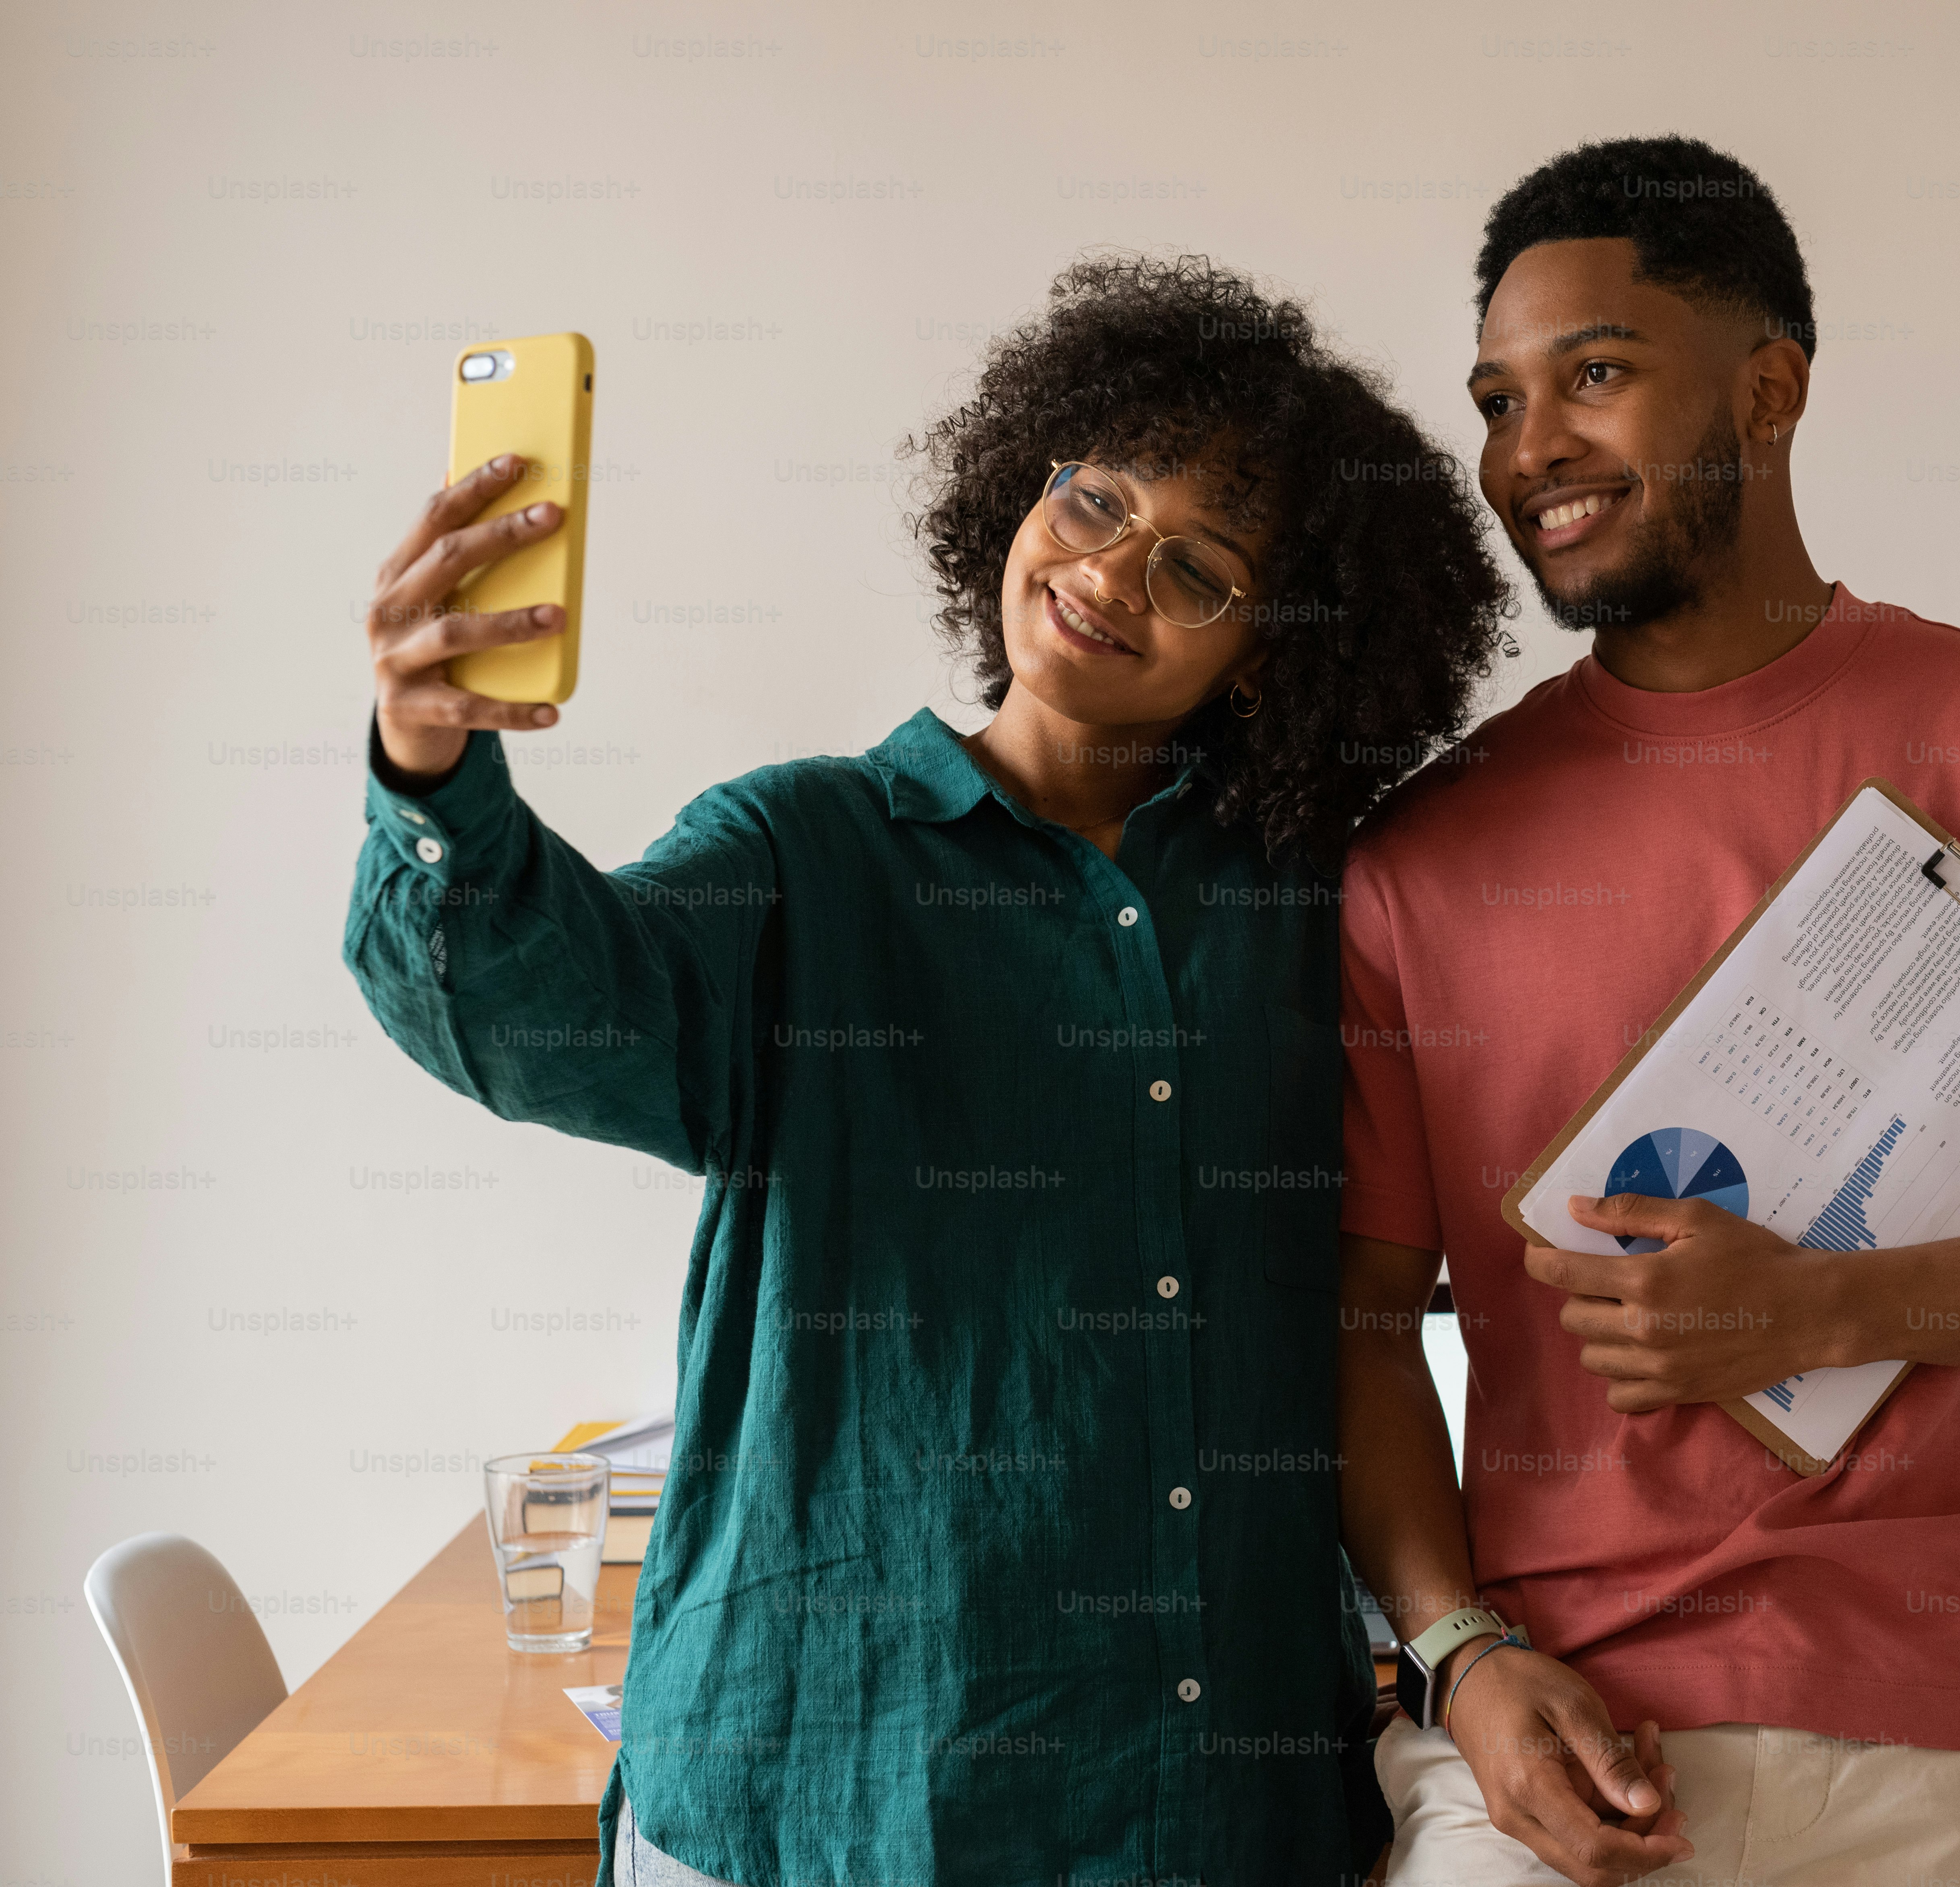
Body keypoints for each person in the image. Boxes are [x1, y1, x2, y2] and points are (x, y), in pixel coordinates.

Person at [342, 254, 1506, 1887]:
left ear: (1273, 653)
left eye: (1200, 564)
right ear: (1021, 483)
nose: (1110, 569)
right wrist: (432, 767)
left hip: (1214, 1800)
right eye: (1094, 494)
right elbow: (558, 1014)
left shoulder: (1318, 910)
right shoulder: (805, 844)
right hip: (819, 1793)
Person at [1334, 137, 1960, 1886]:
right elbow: (1352, 1322)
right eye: (1498, 399)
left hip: (1935, 1747)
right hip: (1547, 1748)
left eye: (1596, 373)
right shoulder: (1420, 857)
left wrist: (1826, 1303)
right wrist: (1459, 1656)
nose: (1530, 451)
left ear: (1772, 387)